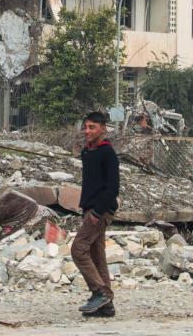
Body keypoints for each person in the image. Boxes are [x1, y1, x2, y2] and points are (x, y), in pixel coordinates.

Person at [71, 111, 120, 317]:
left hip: (100, 211)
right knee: (97, 256)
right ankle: (106, 305)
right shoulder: (87, 152)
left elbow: (112, 188)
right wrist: (86, 209)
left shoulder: (107, 152)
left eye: (92, 127)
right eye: (86, 127)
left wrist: (98, 211)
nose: (87, 131)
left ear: (103, 129)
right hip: (89, 209)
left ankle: (99, 292)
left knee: (78, 249)